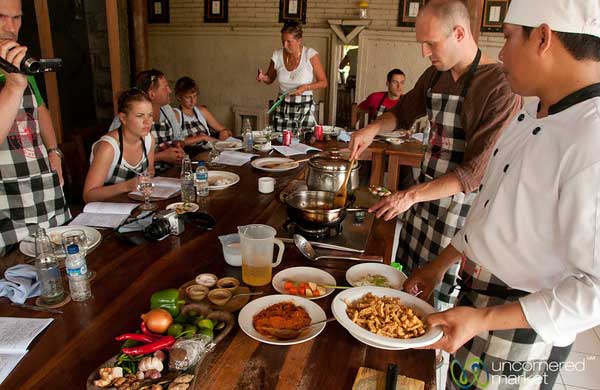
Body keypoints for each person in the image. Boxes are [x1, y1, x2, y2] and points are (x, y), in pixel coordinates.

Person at [404, 1, 600, 388]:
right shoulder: (531, 112)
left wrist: (485, 319)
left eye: (509, 37)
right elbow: (491, 212)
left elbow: (593, 291)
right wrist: (439, 264)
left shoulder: (591, 140)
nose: (501, 52)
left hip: (521, 324)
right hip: (476, 300)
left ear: (543, 37)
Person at [349, 0, 521, 311]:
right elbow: (402, 114)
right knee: (408, 283)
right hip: (424, 202)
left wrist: (410, 195)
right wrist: (373, 129)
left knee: (438, 299)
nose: (424, 53)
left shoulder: (500, 87)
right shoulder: (434, 76)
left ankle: (433, 356)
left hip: (461, 212)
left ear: (459, 33)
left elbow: (473, 174)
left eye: (430, 43)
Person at [0, 0, 70, 256]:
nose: (10, 28)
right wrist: (12, 87)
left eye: (16, 18)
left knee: (64, 262)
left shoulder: (16, 62)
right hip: (6, 200)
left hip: (40, 184)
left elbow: (40, 110)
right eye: (1, 17)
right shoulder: (14, 77)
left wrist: (54, 152)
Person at [83, 89, 155, 202]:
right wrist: (126, 186)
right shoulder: (108, 147)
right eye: (140, 116)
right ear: (123, 118)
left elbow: (150, 171)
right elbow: (88, 195)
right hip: (108, 211)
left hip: (134, 206)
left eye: (150, 115)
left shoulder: (149, 140)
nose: (147, 122)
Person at [256, 21, 328, 132]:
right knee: (280, 142)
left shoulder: (310, 54)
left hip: (304, 107)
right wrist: (263, 77)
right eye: (283, 41)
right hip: (282, 106)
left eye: (289, 42)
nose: (285, 45)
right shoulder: (277, 54)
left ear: (299, 40)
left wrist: (305, 87)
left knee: (304, 143)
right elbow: (270, 79)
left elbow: (323, 82)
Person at [109, 69, 184, 166]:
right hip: (141, 176)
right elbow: (119, 159)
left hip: (164, 170)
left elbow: (179, 137)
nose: (169, 91)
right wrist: (161, 156)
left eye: (150, 115)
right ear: (152, 94)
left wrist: (178, 148)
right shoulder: (125, 119)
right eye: (165, 87)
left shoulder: (166, 109)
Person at [172, 76, 232, 147]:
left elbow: (223, 129)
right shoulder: (175, 114)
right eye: (188, 97)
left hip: (209, 148)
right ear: (179, 97)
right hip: (191, 153)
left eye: (194, 96)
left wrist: (224, 132)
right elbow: (176, 142)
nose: (192, 101)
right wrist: (203, 137)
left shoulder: (202, 111)